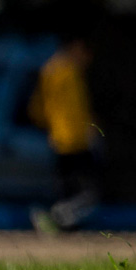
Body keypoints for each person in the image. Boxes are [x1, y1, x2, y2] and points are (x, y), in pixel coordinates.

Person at [30, 33, 101, 233]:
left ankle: (62, 224)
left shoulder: (51, 70)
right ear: (76, 47)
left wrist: (47, 125)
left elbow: (37, 109)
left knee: (68, 189)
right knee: (84, 191)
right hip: (75, 141)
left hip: (60, 139)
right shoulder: (67, 72)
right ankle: (54, 218)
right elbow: (78, 109)